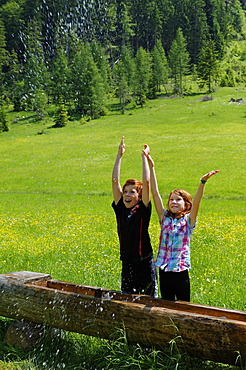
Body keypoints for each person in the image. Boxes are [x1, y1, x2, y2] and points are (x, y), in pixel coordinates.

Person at [143, 144, 219, 301]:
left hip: (180, 270)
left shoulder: (188, 221)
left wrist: (202, 182)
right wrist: (151, 167)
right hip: (164, 270)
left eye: (178, 200)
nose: (173, 202)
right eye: (171, 199)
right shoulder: (164, 218)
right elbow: (155, 193)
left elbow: (197, 202)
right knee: (167, 305)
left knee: (184, 305)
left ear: (187, 205)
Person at [112, 137, 157, 297]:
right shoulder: (120, 209)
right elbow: (115, 181)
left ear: (139, 196)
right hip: (127, 262)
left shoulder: (142, 209)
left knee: (148, 299)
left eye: (132, 192)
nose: (127, 194)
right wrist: (119, 156)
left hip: (144, 262)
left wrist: (144, 158)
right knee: (126, 298)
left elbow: (146, 181)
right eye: (125, 191)